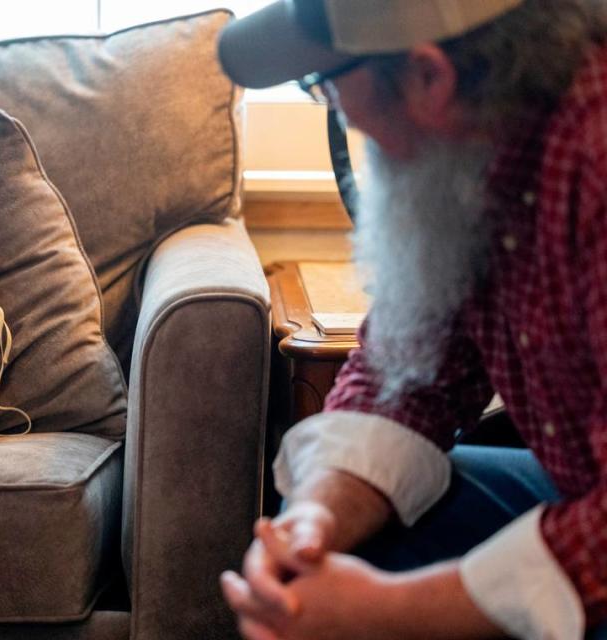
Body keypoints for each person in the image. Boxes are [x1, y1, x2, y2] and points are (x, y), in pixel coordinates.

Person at [217, 1, 607, 638]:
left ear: (430, 76)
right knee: (328, 544)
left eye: (326, 84)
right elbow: (407, 376)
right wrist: (316, 519)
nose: (337, 108)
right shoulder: (481, 148)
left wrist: (389, 613)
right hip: (578, 486)